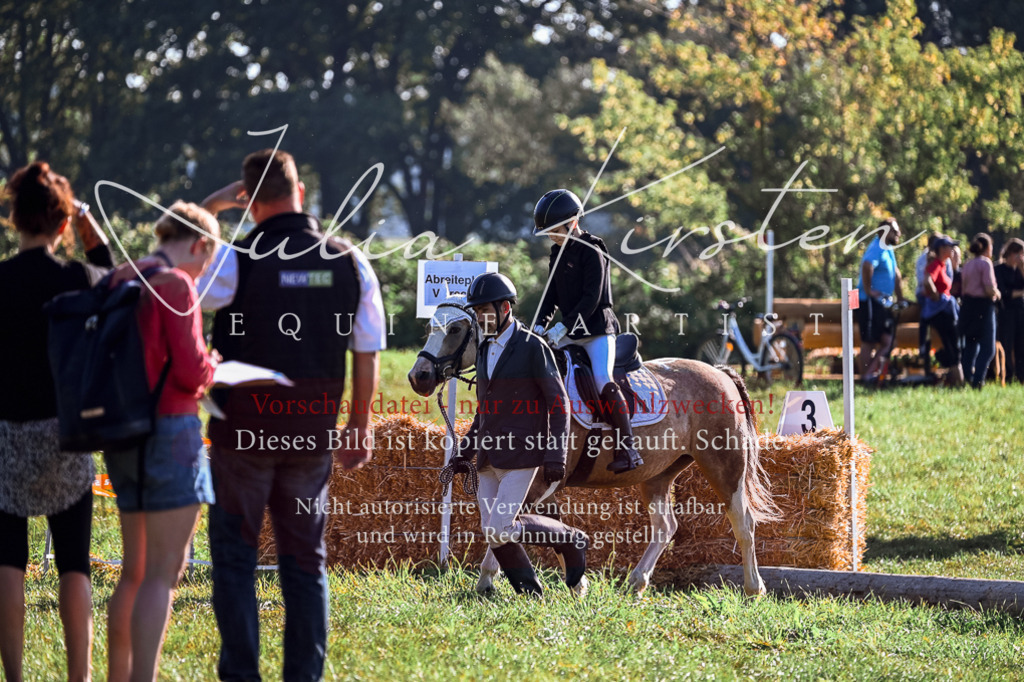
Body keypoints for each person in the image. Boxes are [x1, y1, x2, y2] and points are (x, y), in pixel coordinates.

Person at [198, 149, 385, 681]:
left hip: (242, 437)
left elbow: (175, 273)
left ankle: (241, 676)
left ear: (249, 202)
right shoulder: (350, 261)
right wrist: (360, 426)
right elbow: (366, 351)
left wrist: (212, 207)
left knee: (234, 560)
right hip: (311, 436)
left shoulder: (233, 261)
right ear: (300, 191)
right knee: (306, 561)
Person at [0, 161, 112, 682]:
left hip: (5, 436)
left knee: (8, 562)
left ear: (13, 219)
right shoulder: (74, 277)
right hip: (66, 436)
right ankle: (79, 676)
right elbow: (116, 288)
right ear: (62, 223)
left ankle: (15, 676)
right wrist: (93, 236)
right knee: (74, 563)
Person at [102, 202, 220, 682]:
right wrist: (214, 362)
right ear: (199, 245)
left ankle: (116, 675)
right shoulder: (176, 284)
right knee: (165, 573)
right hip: (171, 432)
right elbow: (193, 372)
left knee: (133, 569)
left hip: (121, 432)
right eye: (206, 262)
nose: (203, 272)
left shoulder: (122, 276)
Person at [451, 272, 588, 596]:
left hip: (521, 455)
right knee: (493, 531)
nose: (481, 318)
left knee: (500, 526)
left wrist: (556, 454)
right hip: (487, 456)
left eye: (486, 311)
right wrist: (466, 450)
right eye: (477, 312)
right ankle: (530, 592)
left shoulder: (532, 347)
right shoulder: (484, 349)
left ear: (505, 308)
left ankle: (571, 540)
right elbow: (484, 409)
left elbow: (559, 403)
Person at [533, 189, 642, 474]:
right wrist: (539, 324)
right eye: (547, 233)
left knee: (601, 377)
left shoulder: (594, 248)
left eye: (554, 231)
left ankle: (628, 448)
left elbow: (591, 297)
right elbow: (550, 296)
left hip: (596, 331)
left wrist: (564, 327)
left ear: (572, 223)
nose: (551, 237)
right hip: (568, 330)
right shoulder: (557, 252)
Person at [857, 217, 905, 382]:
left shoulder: (887, 248)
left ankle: (870, 374)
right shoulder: (876, 247)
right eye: (895, 230)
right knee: (869, 341)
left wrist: (901, 297)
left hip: (882, 303)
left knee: (888, 341)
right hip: (868, 301)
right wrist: (869, 290)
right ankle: (866, 377)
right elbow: (867, 265)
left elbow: (895, 273)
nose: (898, 233)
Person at [920, 236, 964, 386]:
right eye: (950, 247)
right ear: (941, 249)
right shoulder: (936, 265)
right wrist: (935, 296)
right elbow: (927, 281)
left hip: (946, 310)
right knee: (953, 347)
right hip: (941, 312)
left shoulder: (944, 265)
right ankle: (959, 383)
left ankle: (956, 382)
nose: (952, 250)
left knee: (953, 347)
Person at [959, 233, 1001, 389]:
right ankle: (978, 380)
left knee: (970, 345)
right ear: (986, 247)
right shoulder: (985, 263)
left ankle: (967, 377)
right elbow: (989, 288)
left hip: (968, 306)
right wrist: (998, 294)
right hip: (983, 306)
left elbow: (964, 289)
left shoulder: (968, 265)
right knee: (988, 348)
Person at [994, 238, 1024, 383]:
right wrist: (1019, 293)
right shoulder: (998, 269)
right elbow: (1004, 292)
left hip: (1020, 311)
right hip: (1006, 313)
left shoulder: (1020, 270)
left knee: (1021, 345)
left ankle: (1021, 376)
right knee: (1006, 344)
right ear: (1011, 253)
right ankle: (1008, 377)